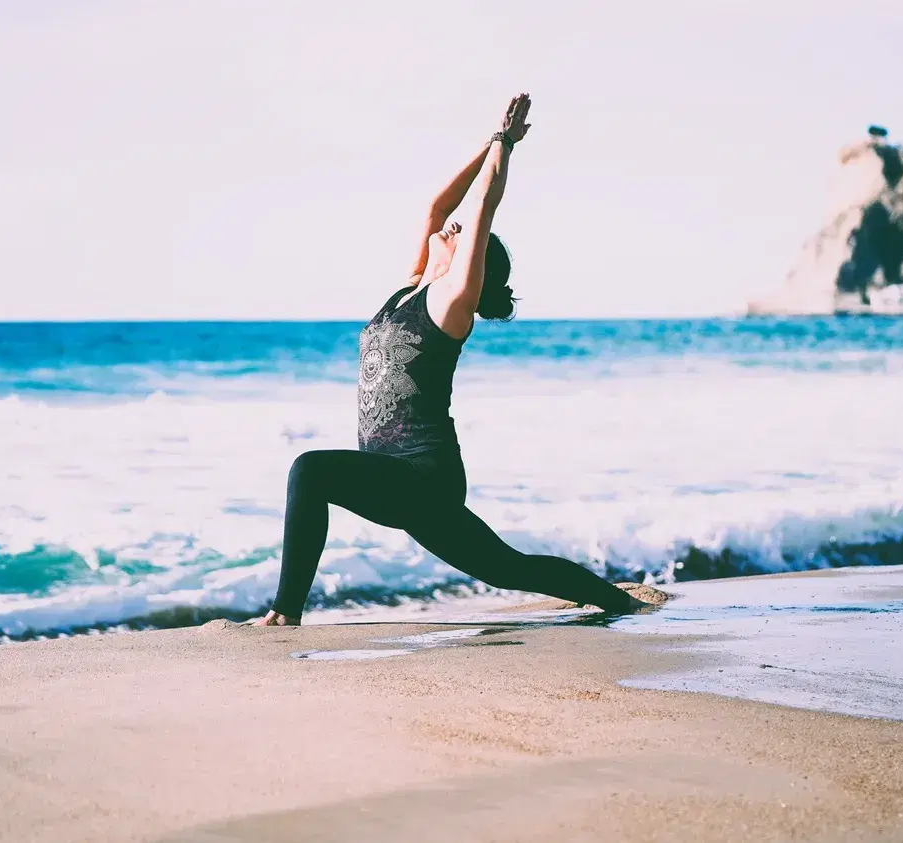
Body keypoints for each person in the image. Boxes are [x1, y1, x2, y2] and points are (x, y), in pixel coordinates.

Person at [252, 94, 650, 626]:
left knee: (311, 471)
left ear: (471, 265)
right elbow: (438, 208)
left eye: (463, 238)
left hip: (423, 476)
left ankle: (284, 613)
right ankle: (619, 600)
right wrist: (487, 140)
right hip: (393, 473)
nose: (452, 227)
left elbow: (481, 209)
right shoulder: (412, 289)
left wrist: (505, 150)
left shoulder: (450, 305)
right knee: (508, 568)